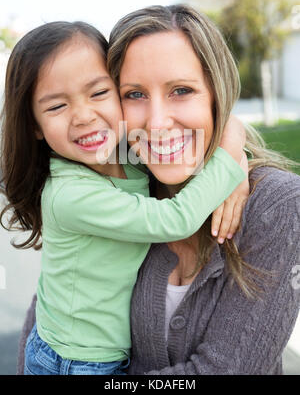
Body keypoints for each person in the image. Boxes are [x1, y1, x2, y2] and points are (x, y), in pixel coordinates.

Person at [0, 21, 247, 376]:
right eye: (56, 107)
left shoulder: (128, 160)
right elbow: (173, 219)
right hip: (75, 362)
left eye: (98, 93)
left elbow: (187, 140)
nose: (84, 116)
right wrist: (231, 150)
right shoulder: (71, 195)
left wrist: (239, 168)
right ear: (35, 126)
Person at [106, 4, 300, 375]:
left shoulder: (277, 205)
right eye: (134, 94)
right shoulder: (114, 195)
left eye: (181, 90)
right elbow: (48, 329)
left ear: (217, 95)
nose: (158, 122)